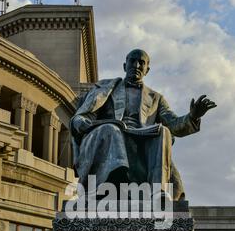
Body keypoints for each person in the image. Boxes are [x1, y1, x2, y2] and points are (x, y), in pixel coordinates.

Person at [70, 49, 216, 200]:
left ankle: (158, 193)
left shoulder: (156, 98)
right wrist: (80, 122)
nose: (137, 65)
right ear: (124, 66)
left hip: (142, 139)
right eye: (133, 61)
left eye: (141, 62)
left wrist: (193, 116)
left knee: (164, 131)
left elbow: (174, 124)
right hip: (110, 134)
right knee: (112, 129)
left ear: (147, 69)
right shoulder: (106, 89)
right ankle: (108, 183)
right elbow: (83, 116)